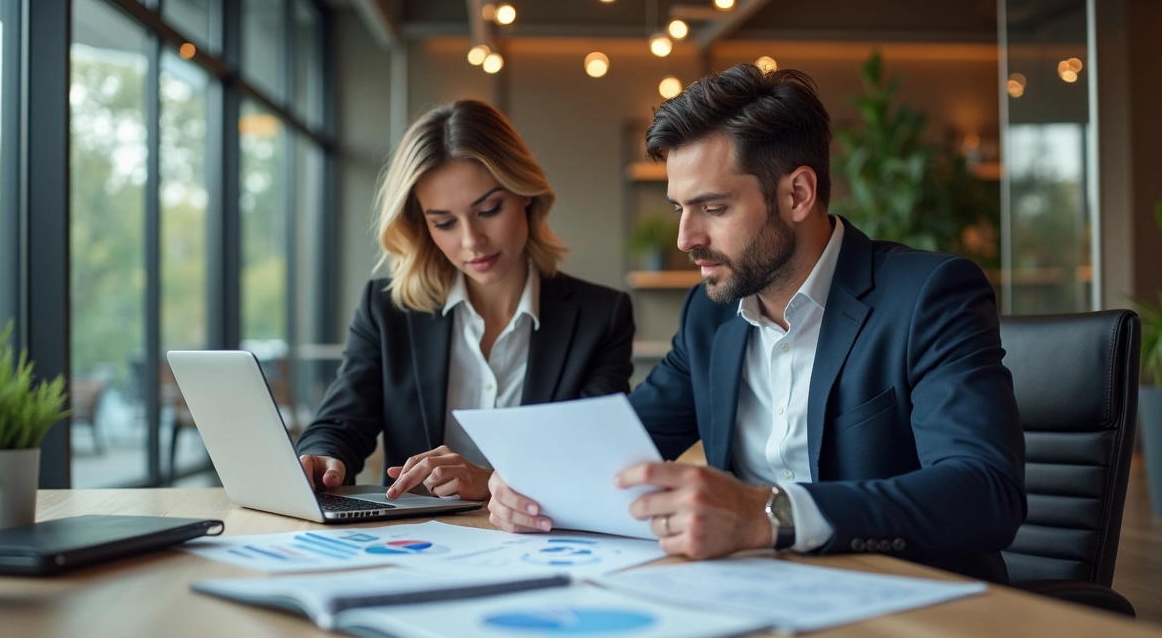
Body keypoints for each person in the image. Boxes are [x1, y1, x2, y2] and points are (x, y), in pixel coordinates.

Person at [486, 65, 1026, 583]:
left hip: (908, 606)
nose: (685, 239)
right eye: (679, 209)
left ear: (797, 194)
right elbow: (618, 449)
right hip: (748, 598)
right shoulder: (710, 316)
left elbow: (984, 494)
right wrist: (527, 486)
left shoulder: (927, 296)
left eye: (713, 209)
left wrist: (767, 515)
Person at [296, 100, 634, 502]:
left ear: (525, 193)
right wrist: (322, 456)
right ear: (423, 224)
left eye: (489, 210)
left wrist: (489, 481)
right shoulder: (388, 310)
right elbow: (340, 422)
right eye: (444, 223)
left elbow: (593, 460)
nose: (472, 242)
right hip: (417, 542)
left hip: (542, 540)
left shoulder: (602, 317)